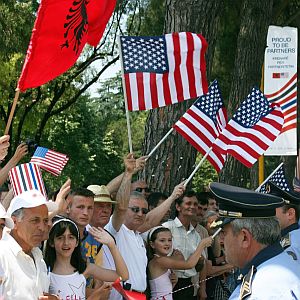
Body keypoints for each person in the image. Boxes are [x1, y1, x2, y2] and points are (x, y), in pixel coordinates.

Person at [209, 182, 300, 299]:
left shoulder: (264, 290)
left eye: (224, 233)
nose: (221, 240)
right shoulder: (276, 268)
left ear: (244, 238)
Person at [44, 218, 129, 299]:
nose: (66, 242)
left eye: (71, 237)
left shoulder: (85, 268)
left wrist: (112, 245)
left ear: (77, 242)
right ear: (51, 242)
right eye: (60, 238)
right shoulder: (45, 271)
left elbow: (123, 276)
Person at [0, 190, 59, 299]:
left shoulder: (38, 256)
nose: (42, 227)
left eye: (45, 221)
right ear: (15, 222)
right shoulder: (2, 255)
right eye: (35, 220)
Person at [163, 190, 207, 300]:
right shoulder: (167, 228)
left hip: (189, 285)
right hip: (167, 282)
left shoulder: (196, 235)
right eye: (188, 203)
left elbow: (200, 266)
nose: (192, 207)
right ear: (178, 207)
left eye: (195, 204)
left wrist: (202, 288)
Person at [147, 226, 213, 300]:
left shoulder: (161, 260)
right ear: (152, 244)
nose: (167, 243)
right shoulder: (159, 261)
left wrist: (173, 283)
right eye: (162, 240)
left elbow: (164, 291)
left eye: (169, 240)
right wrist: (202, 245)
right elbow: (189, 264)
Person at [268, 182, 300, 262]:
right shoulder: (287, 239)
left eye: (272, 210)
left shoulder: (292, 245)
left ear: (290, 214)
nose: (267, 215)